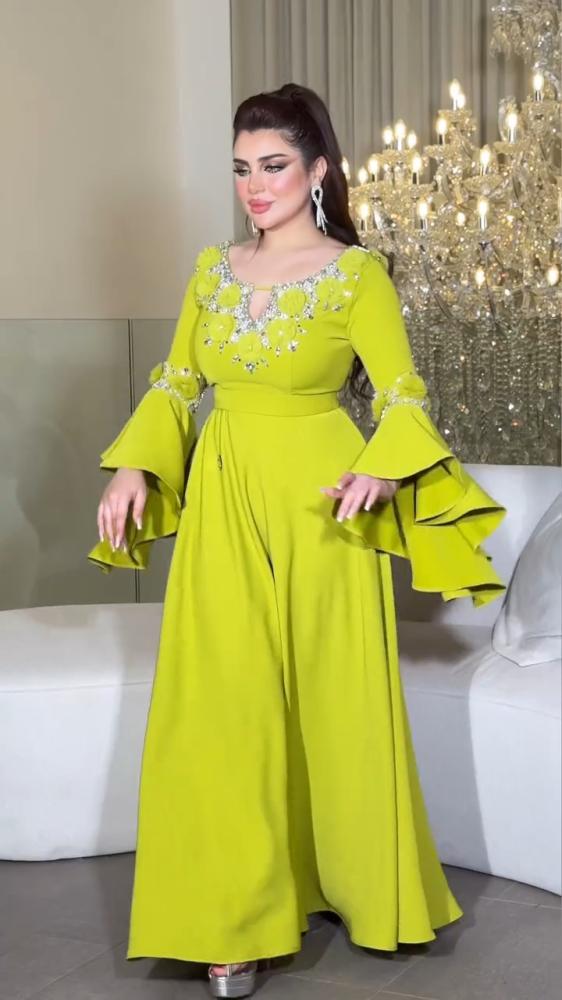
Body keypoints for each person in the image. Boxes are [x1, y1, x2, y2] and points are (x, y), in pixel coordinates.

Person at [88, 82, 507, 999]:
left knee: (334, 697)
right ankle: (231, 925)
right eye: (242, 168)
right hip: (224, 496)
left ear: (317, 170)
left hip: (327, 503)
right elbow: (176, 382)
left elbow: (400, 394)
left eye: (273, 165)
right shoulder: (212, 270)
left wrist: (384, 470)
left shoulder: (357, 276)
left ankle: (351, 888)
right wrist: (134, 469)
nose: (255, 185)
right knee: (222, 702)